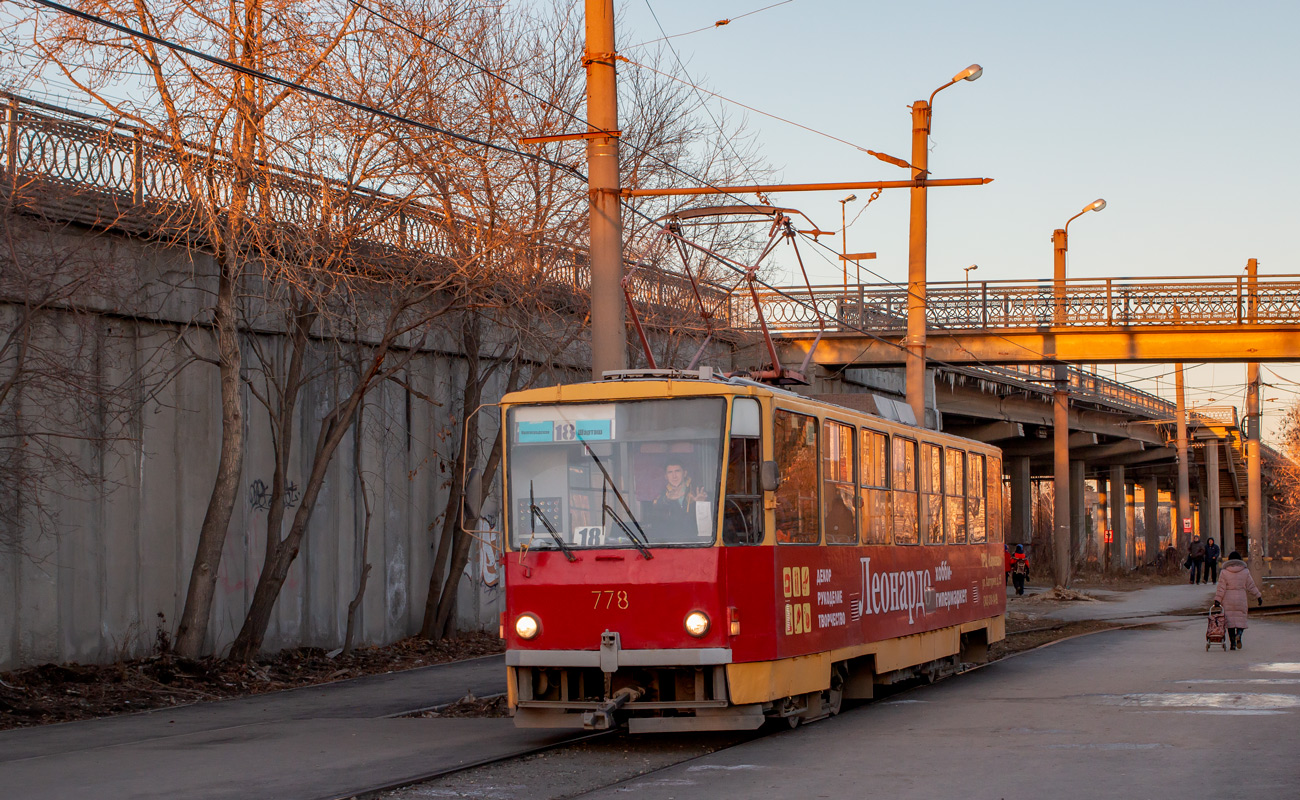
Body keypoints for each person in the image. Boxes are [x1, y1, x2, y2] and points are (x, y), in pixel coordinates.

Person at [1213, 551, 1263, 650]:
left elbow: (1221, 588)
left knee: (1230, 622)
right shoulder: (1245, 571)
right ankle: (1239, 634)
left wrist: (1217, 600)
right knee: (1241, 619)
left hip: (1228, 599)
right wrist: (1259, 596)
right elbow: (1251, 586)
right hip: (1241, 598)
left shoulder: (1224, 572)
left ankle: (1232, 644)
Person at [648, 460, 707, 536]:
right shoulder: (662, 497)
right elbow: (655, 520)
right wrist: (667, 500)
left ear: (685, 473)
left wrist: (701, 504)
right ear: (666, 476)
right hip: (672, 543)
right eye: (670, 472)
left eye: (677, 471)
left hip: (696, 542)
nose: (674, 476)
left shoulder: (697, 492)